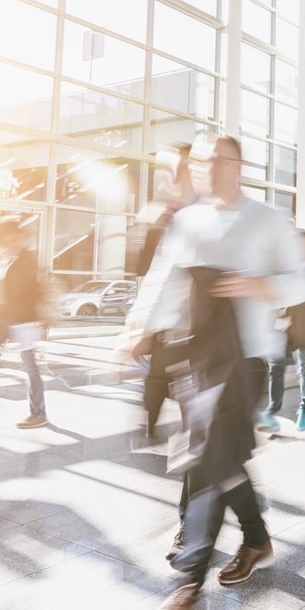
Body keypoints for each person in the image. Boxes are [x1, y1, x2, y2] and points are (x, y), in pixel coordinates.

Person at [126, 134, 305, 610]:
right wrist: (139, 327)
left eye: (213, 161)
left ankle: (187, 588)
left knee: (210, 456)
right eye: (201, 161)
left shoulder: (267, 220)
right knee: (222, 459)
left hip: (250, 358)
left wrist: (263, 287)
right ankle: (256, 538)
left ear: (236, 165)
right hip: (201, 359)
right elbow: (162, 279)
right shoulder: (188, 222)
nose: (204, 169)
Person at [137, 143, 194, 440]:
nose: (174, 176)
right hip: (169, 328)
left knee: (193, 393)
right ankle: (153, 424)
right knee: (158, 380)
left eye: (181, 167)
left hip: (200, 329)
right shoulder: (166, 218)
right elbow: (149, 272)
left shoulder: (206, 214)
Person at [261, 230, 305, 433]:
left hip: (303, 325)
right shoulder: (283, 267)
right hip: (281, 323)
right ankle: (273, 409)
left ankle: (303, 409)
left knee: (304, 368)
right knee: (275, 367)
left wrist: (291, 300)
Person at [0, 220, 49, 429]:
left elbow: (33, 288)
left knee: (30, 365)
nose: (10, 240)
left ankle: (39, 413)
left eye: (13, 236)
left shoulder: (26, 257)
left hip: (23, 319)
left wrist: (41, 313)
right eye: (6, 236)